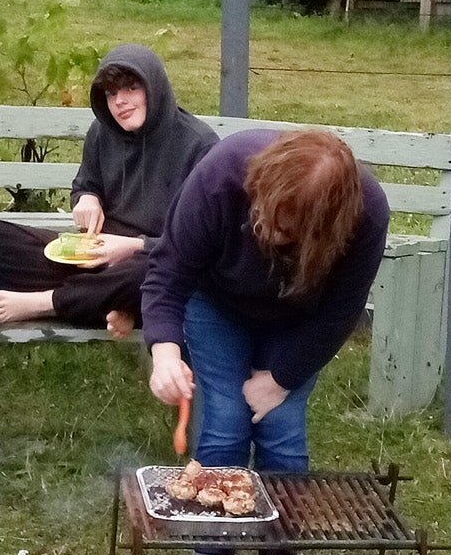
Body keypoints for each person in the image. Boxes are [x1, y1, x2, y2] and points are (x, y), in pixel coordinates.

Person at [139, 128, 389, 472]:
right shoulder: (222, 173)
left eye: (284, 232)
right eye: (260, 214)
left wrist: (281, 379)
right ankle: (216, 525)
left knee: (281, 426)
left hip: (300, 318)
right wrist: (164, 352)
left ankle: (284, 524)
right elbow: (169, 269)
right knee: (226, 420)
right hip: (216, 301)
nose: (266, 232)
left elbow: (339, 313)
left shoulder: (367, 214)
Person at [0, 45, 216, 335]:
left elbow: (200, 244)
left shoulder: (199, 145)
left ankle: (48, 303)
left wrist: (132, 246)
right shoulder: (102, 132)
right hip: (95, 254)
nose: (120, 102)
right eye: (112, 94)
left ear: (155, 87)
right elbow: (85, 184)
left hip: (150, 257)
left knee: (148, 274)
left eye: (131, 89)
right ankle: (119, 307)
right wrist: (88, 198)